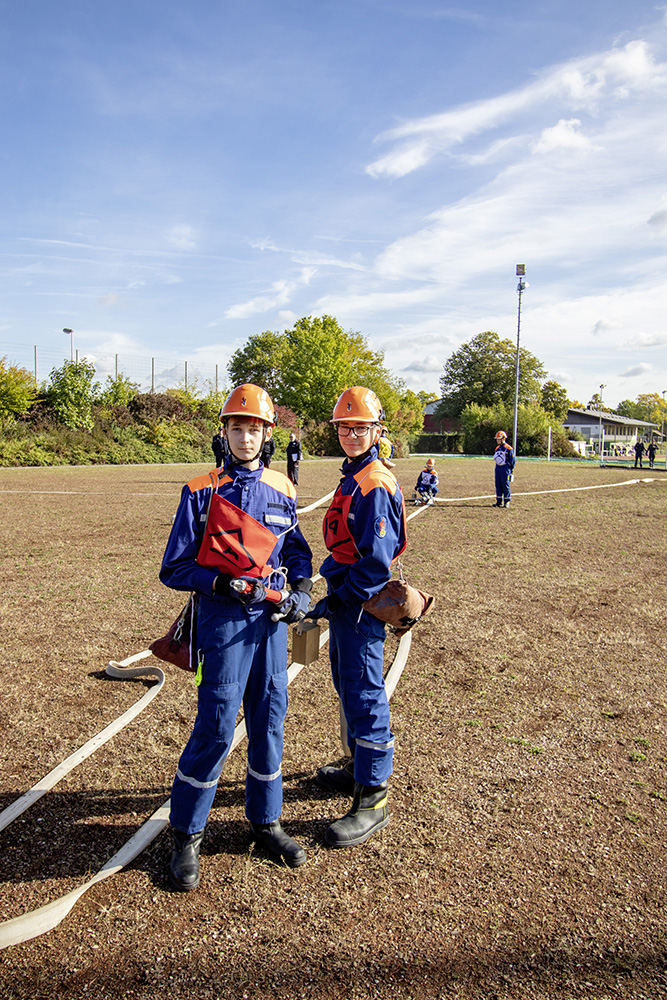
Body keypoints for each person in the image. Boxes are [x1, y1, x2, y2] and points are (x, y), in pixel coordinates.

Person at [159, 384, 313, 891]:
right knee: (218, 726)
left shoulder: (283, 489)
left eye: (255, 429)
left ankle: (266, 821)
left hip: (270, 625)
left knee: (270, 719)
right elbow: (174, 568)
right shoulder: (200, 490)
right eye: (237, 428)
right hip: (221, 625)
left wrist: (302, 588)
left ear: (268, 436)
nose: (246, 437)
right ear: (222, 433)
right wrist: (219, 581)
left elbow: (297, 554)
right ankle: (186, 832)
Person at [307, 386, 407, 849]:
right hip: (347, 596)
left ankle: (374, 797)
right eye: (345, 427)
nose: (351, 433)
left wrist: (340, 597)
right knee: (346, 684)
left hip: (361, 602)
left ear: (376, 430)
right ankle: (356, 766)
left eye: (360, 426)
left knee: (365, 692)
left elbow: (376, 561)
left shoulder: (375, 482)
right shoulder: (355, 474)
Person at [493, 430, 515, 508]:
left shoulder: (509, 448)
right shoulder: (497, 448)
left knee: (505, 484)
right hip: (498, 468)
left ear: (503, 439)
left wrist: (511, 469)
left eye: (499, 439)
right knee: (498, 484)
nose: (497, 440)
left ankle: (507, 501)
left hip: (505, 468)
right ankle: (499, 501)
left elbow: (512, 460)